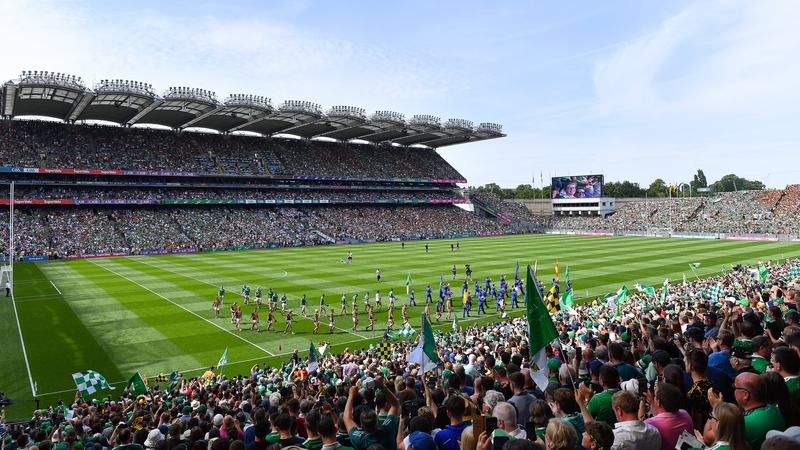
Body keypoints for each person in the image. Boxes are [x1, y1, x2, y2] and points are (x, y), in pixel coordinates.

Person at [345, 377, 399, 450]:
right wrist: (382, 386)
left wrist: (351, 395)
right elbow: (395, 405)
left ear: (362, 426)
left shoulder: (359, 440)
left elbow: (346, 418)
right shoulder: (387, 430)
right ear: (377, 420)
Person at [643, 382, 693, 450]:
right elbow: (661, 417)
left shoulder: (649, 425)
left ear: (659, 402)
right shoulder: (685, 414)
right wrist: (652, 402)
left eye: (655, 395)